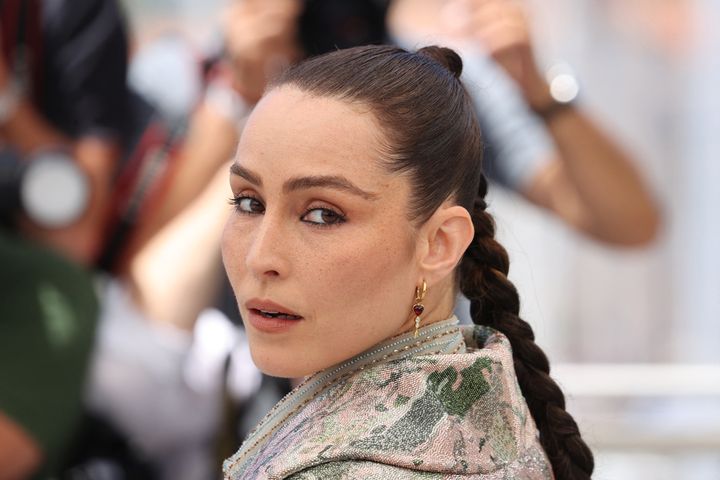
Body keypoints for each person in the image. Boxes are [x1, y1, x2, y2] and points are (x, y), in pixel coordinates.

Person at [221, 45, 594, 479]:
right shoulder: (493, 408)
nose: (260, 257)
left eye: (323, 214)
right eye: (248, 203)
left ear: (438, 243)